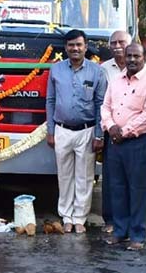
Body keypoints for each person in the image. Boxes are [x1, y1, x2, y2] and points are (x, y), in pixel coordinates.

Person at [101, 42, 146, 250]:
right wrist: (111, 127)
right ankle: (120, 231)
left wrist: (124, 132)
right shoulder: (116, 80)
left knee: (138, 189)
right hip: (115, 141)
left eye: (136, 56)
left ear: (144, 58)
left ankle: (138, 235)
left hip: (138, 142)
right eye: (129, 56)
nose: (132, 60)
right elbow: (105, 106)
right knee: (117, 188)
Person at [45, 29, 107, 233]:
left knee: (85, 177)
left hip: (86, 131)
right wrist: (51, 131)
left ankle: (80, 217)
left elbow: (101, 104)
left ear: (85, 47)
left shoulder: (96, 72)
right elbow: (51, 100)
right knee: (64, 176)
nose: (75, 48)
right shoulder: (56, 70)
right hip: (62, 130)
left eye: (79, 45)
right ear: (66, 48)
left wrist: (99, 134)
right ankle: (66, 216)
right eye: (71, 45)